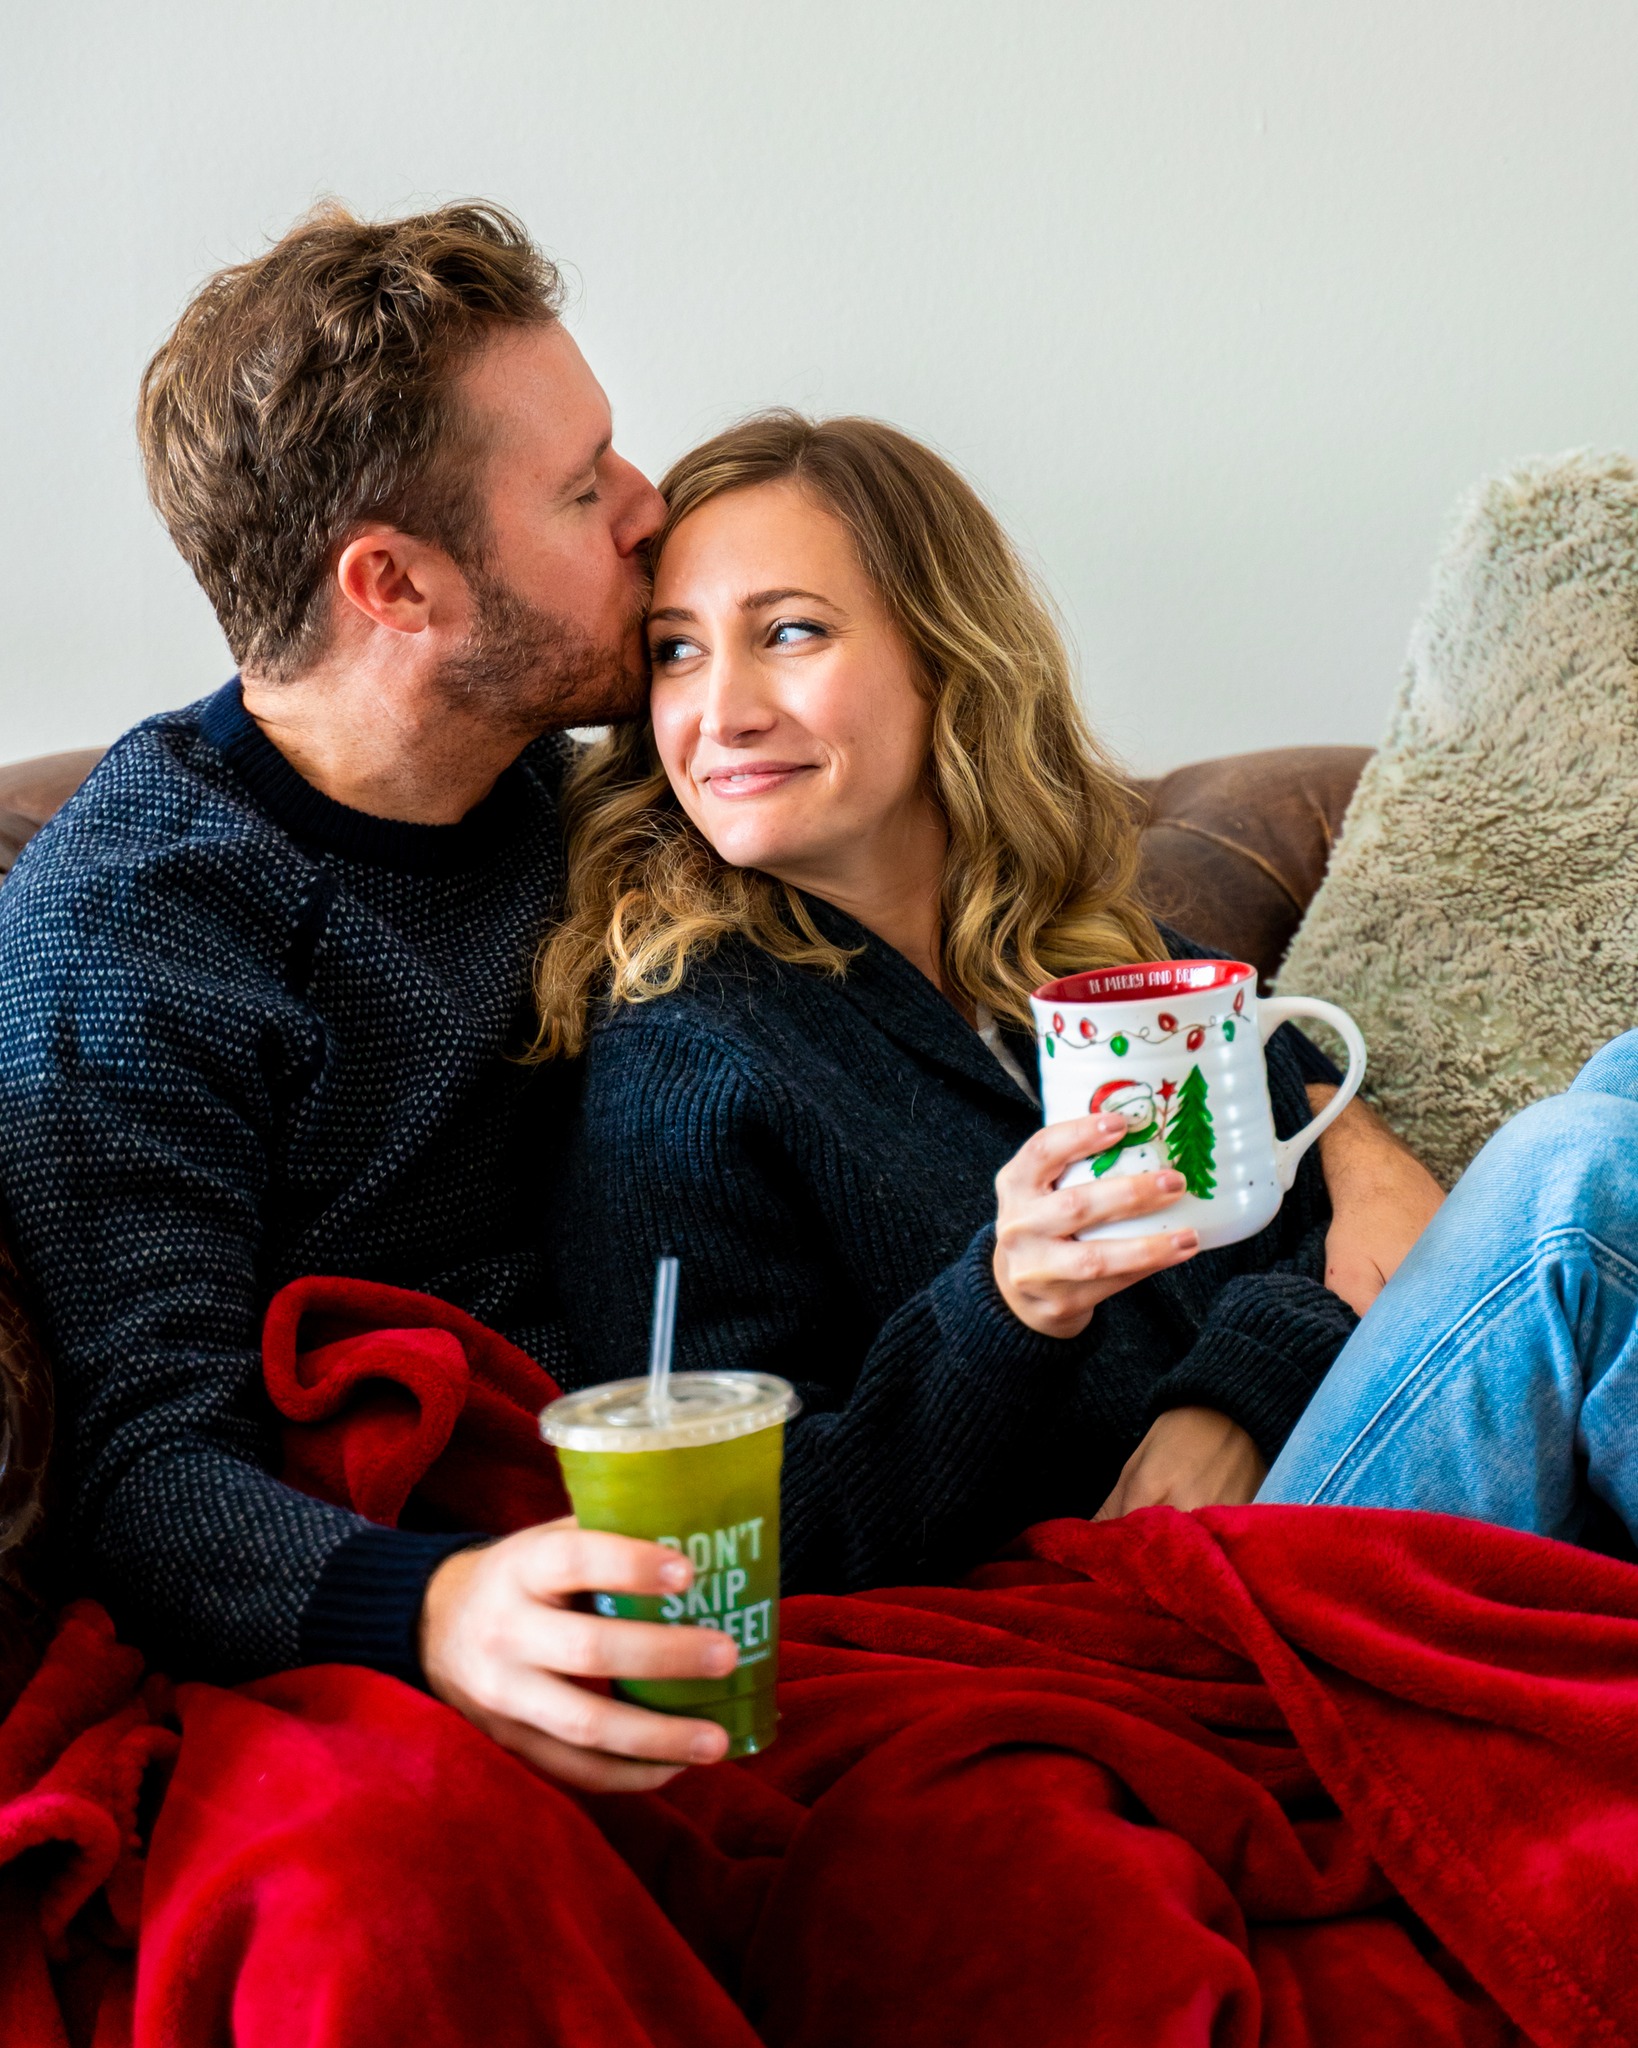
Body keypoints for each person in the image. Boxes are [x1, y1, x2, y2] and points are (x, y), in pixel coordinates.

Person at [0, 201, 768, 1792]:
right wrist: (432, 1609)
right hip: (426, 1602)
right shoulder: (132, 933)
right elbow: (145, 1467)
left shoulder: (600, 791)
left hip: (722, 1512)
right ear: (396, 585)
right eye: (583, 489)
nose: (651, 507)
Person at [535, 412, 1444, 1591]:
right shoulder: (688, 1058)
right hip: (1122, 1599)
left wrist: (1233, 1399)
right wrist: (1007, 1309)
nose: (723, 710)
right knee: (1582, 1161)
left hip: (1324, 1500)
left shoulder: (1104, 962)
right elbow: (738, 1539)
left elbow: (1314, 1214)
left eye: (791, 631)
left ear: (944, 653)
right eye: (676, 649)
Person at [1260, 1028, 1638, 1541]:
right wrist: (1239, 1386)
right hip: (1195, 1554)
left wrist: (1360, 1149)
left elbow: (1273, 1050)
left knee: (1628, 1067)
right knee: (1574, 1169)